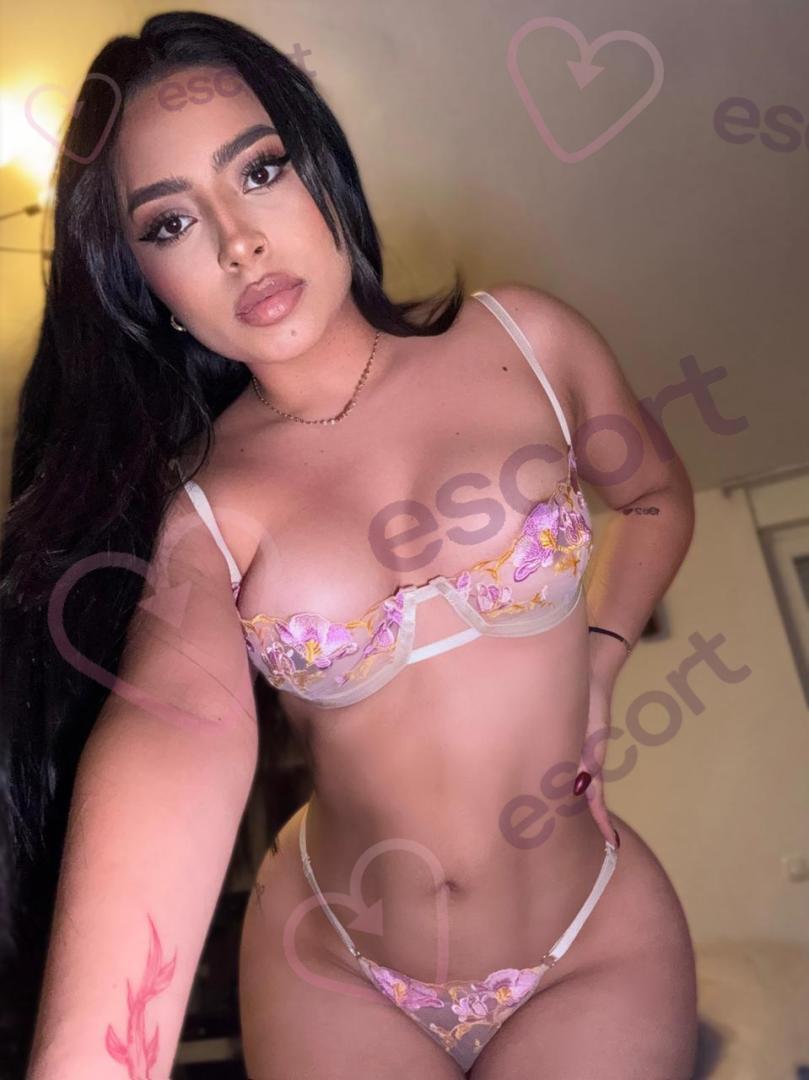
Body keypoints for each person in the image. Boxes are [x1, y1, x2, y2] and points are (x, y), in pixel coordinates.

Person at [1, 10, 699, 1078]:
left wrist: (600, 659)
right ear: (146, 286)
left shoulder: (527, 342)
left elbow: (652, 500)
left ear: (321, 169)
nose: (238, 240)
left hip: (589, 944)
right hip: (331, 964)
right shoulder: (199, 509)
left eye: (260, 170)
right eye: (171, 223)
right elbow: (175, 730)